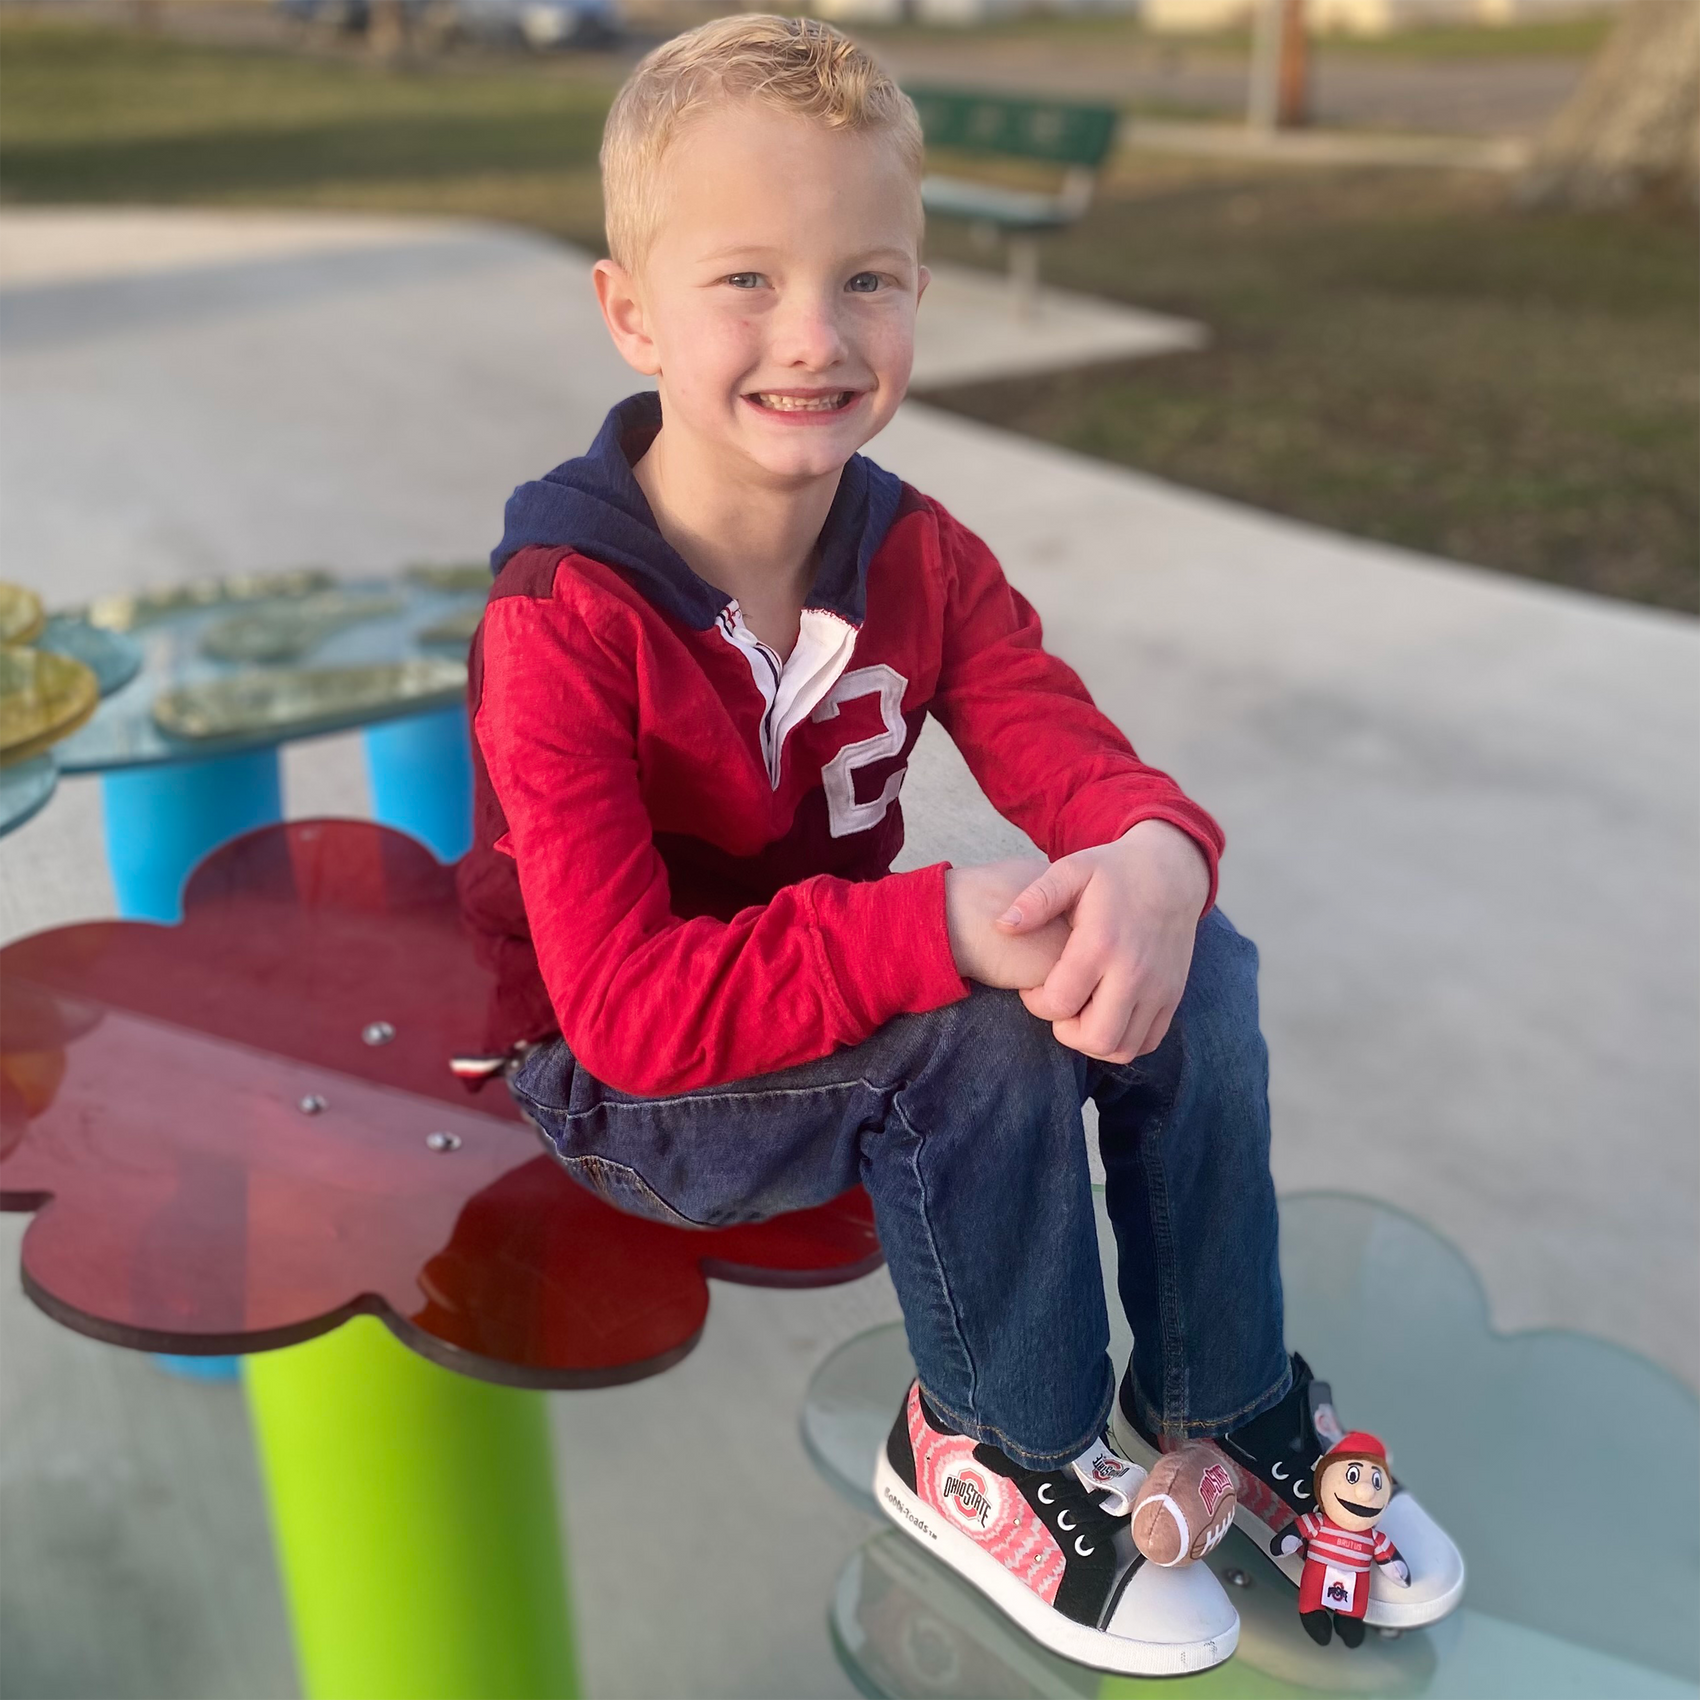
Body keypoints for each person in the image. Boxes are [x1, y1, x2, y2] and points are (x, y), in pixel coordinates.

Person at [458, 13, 1462, 1672]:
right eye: (747, 281)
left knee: (1186, 952)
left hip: (832, 1011)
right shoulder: (564, 619)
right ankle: (992, 1442)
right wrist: (936, 930)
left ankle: (1227, 1396)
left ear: (921, 290)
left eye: (870, 277)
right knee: (981, 1037)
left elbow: (1071, 753)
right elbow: (630, 1009)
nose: (816, 333)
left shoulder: (915, 555)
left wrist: (1155, 850)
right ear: (628, 311)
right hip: (624, 1076)